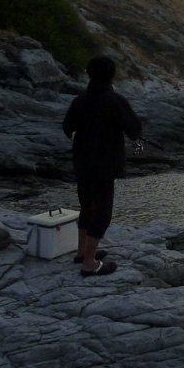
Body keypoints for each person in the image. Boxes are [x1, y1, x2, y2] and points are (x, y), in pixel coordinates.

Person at [62, 56, 142, 276]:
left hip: (82, 162)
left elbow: (67, 128)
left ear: (88, 73)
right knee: (103, 212)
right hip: (105, 165)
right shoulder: (115, 100)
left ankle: (81, 252)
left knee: (87, 207)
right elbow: (134, 130)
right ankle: (90, 263)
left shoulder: (79, 101)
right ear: (112, 74)